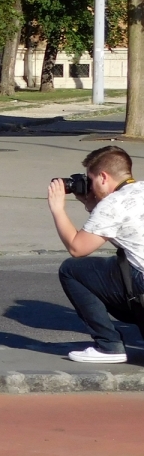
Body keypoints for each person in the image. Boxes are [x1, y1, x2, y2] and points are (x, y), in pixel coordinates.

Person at [48, 146, 144, 364]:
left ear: (103, 177)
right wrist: (89, 203)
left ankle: (108, 346)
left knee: (72, 270)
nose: (89, 186)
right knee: (121, 263)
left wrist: (57, 209)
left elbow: (77, 248)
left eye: (90, 180)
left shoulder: (113, 204)